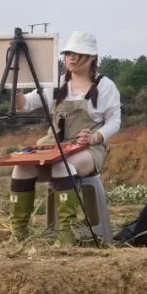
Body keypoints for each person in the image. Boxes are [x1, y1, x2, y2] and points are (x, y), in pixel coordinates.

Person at [8, 31, 122, 244]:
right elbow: (25, 105)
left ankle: (66, 235)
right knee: (22, 167)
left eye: (78, 54)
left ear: (92, 58)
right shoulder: (56, 84)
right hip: (54, 147)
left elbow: (114, 122)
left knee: (63, 166)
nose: (72, 58)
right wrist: (16, 90)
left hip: (87, 150)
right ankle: (19, 234)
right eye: (69, 53)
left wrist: (95, 137)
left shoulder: (105, 86)